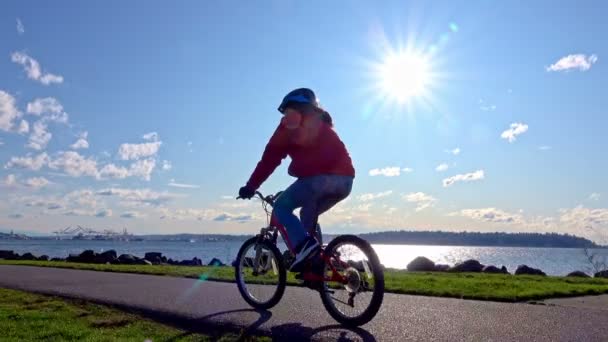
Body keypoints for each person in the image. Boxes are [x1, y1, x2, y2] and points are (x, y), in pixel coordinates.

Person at [238, 88, 355, 272]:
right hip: (345, 182)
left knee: (281, 207)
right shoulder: (322, 122)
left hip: (319, 181)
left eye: (288, 111)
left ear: (297, 109)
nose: (286, 117)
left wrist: (250, 186)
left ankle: (304, 248)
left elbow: (269, 159)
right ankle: (317, 266)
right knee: (307, 215)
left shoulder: (289, 127)